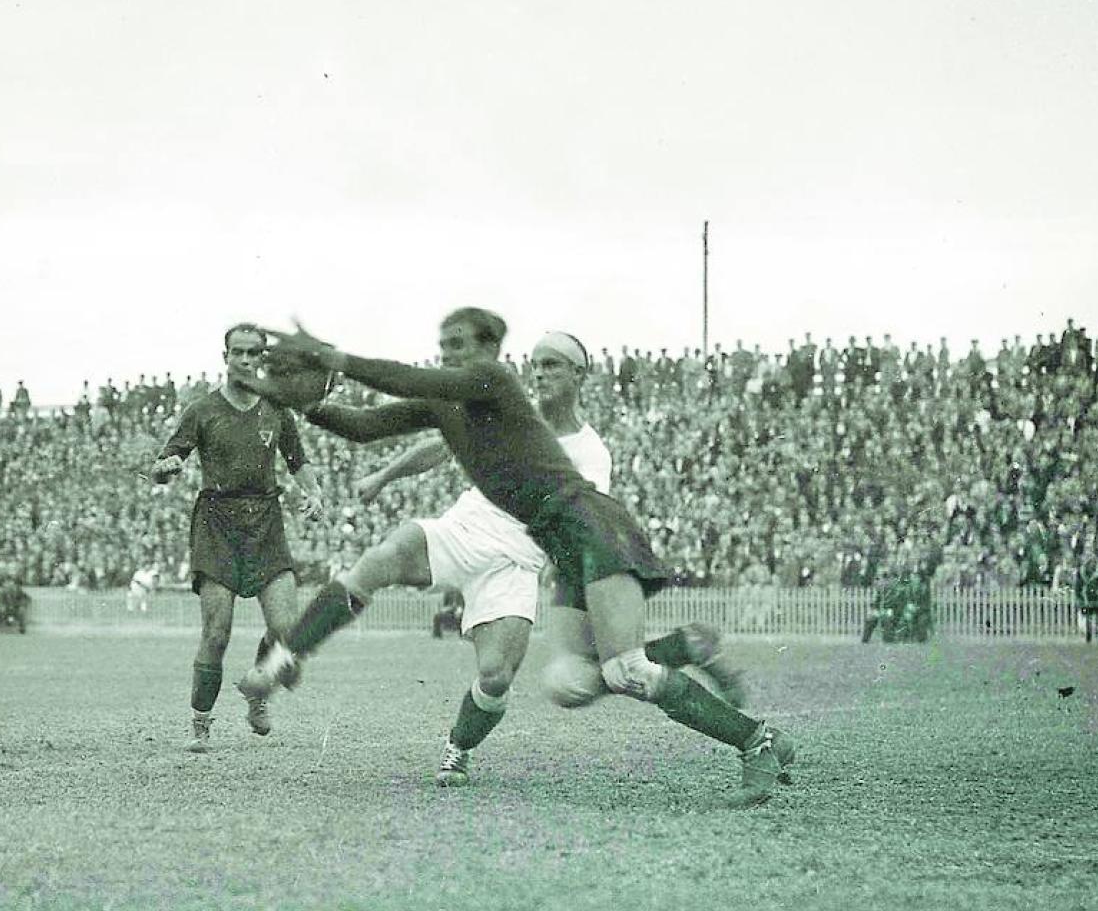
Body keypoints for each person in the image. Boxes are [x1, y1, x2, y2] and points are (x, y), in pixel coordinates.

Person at [237, 309, 796, 808]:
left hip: (587, 528)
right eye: (444, 343)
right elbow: (363, 428)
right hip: (559, 540)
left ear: (490, 351)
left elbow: (411, 378)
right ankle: (289, 657)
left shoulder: (493, 380)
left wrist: (337, 358)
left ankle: (756, 740)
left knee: (625, 669)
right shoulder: (451, 402)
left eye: (460, 344)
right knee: (576, 680)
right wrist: (304, 403)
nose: (449, 353)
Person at [350, 330, 745, 786]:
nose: (540, 373)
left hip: (519, 560)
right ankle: (682, 651)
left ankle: (459, 745)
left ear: (580, 375)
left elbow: (584, 525)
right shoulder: (513, 417)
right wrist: (383, 474)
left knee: (549, 682)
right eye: (536, 364)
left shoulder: (590, 453)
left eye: (553, 364)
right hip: (466, 535)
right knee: (593, 677)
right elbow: (442, 443)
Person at [150, 323, 326, 753]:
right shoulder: (202, 410)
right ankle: (200, 724)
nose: (245, 360)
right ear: (225, 357)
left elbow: (297, 461)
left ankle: (257, 689)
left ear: (262, 358)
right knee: (217, 632)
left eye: (253, 353)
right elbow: (165, 461)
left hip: (265, 520)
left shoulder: (276, 410)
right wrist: (167, 465)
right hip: (217, 523)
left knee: (287, 630)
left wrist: (314, 492)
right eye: (238, 353)